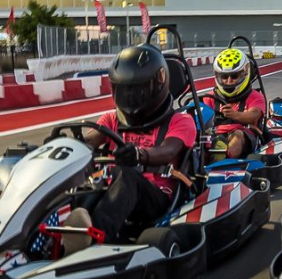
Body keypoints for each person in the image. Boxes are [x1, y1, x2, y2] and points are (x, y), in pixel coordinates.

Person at [62, 43, 197, 252]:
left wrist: (139, 154)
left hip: (158, 197)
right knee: (88, 182)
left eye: (139, 90)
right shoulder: (111, 119)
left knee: (127, 176)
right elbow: (92, 140)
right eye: (126, 90)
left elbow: (167, 151)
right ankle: (65, 232)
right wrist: (68, 146)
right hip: (117, 192)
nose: (132, 97)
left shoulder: (180, 121)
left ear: (158, 84)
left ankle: (94, 239)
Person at [206, 47, 266, 159]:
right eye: (224, 77)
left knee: (238, 134)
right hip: (213, 137)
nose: (229, 81)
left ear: (245, 73)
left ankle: (222, 160)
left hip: (244, 137)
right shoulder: (209, 97)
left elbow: (254, 115)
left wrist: (236, 115)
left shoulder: (255, 96)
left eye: (234, 76)